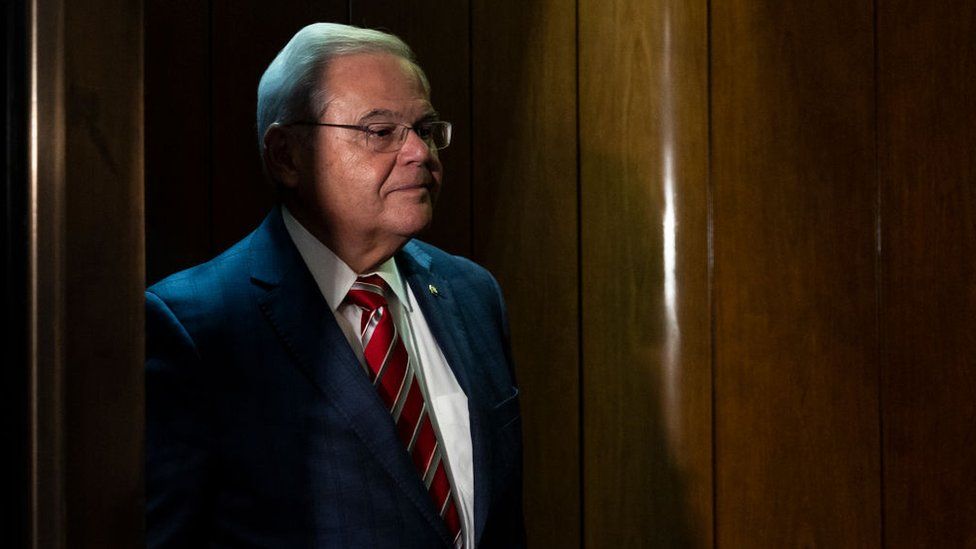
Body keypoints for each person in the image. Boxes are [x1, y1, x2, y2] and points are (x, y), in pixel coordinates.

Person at [145, 23, 524, 548]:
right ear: (286, 155)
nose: (420, 153)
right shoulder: (194, 325)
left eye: (425, 128)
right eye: (380, 131)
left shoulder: (471, 293)